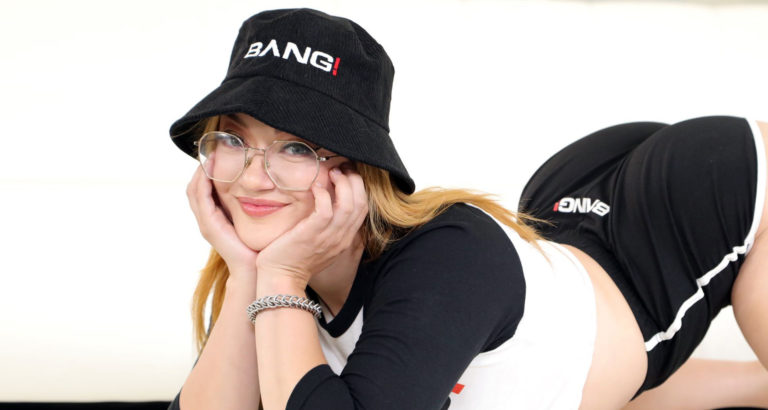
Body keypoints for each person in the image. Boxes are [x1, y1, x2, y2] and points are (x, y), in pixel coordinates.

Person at [166, 8, 768, 410]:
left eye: (296, 147)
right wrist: (246, 272)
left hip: (702, 193)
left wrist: (278, 277)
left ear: (356, 170)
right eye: (233, 139)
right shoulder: (270, 280)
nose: (253, 177)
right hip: (569, 208)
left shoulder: (447, 252)